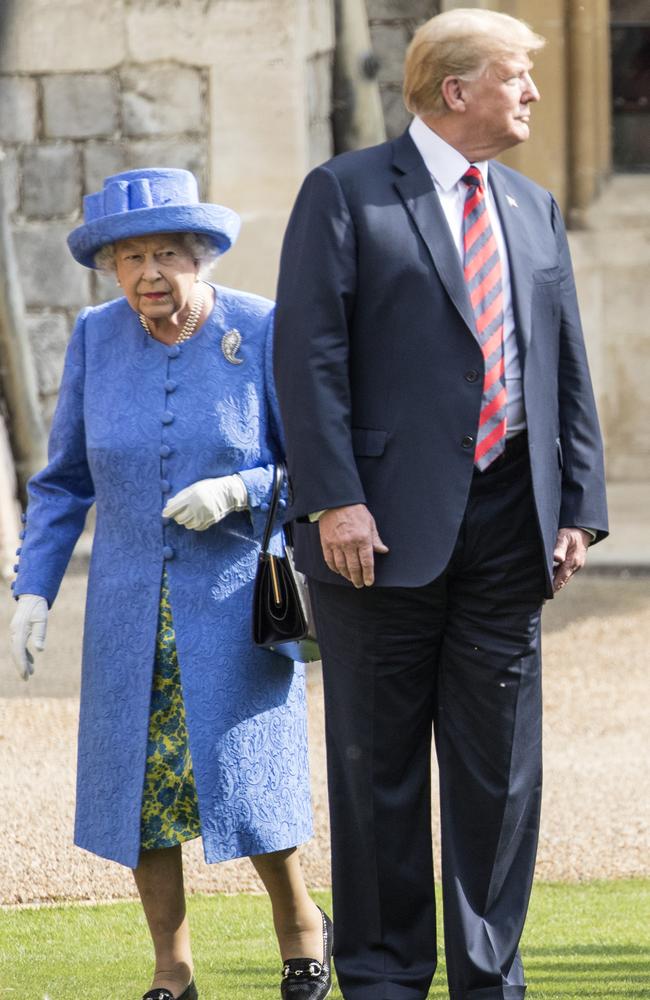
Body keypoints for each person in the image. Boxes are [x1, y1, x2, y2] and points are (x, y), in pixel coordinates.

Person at [273, 9, 608, 1000]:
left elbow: (563, 363)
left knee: (499, 773)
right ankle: (380, 976)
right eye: (516, 78)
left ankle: (487, 977)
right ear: (455, 89)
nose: (534, 96)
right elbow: (309, 360)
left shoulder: (533, 206)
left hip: (512, 525)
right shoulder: (341, 192)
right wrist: (334, 499)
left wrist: (576, 504)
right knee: (375, 767)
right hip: (372, 533)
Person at [9, 167, 332, 1000]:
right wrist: (33, 589)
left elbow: (319, 470)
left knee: (248, 781)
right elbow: (63, 480)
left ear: (202, 256)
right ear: (111, 271)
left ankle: (301, 930)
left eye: (165, 254)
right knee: (139, 796)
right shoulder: (93, 336)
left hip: (233, 603)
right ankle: (173, 969)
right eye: (129, 259)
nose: (149, 274)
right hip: (126, 609)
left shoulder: (259, 327)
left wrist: (241, 489)